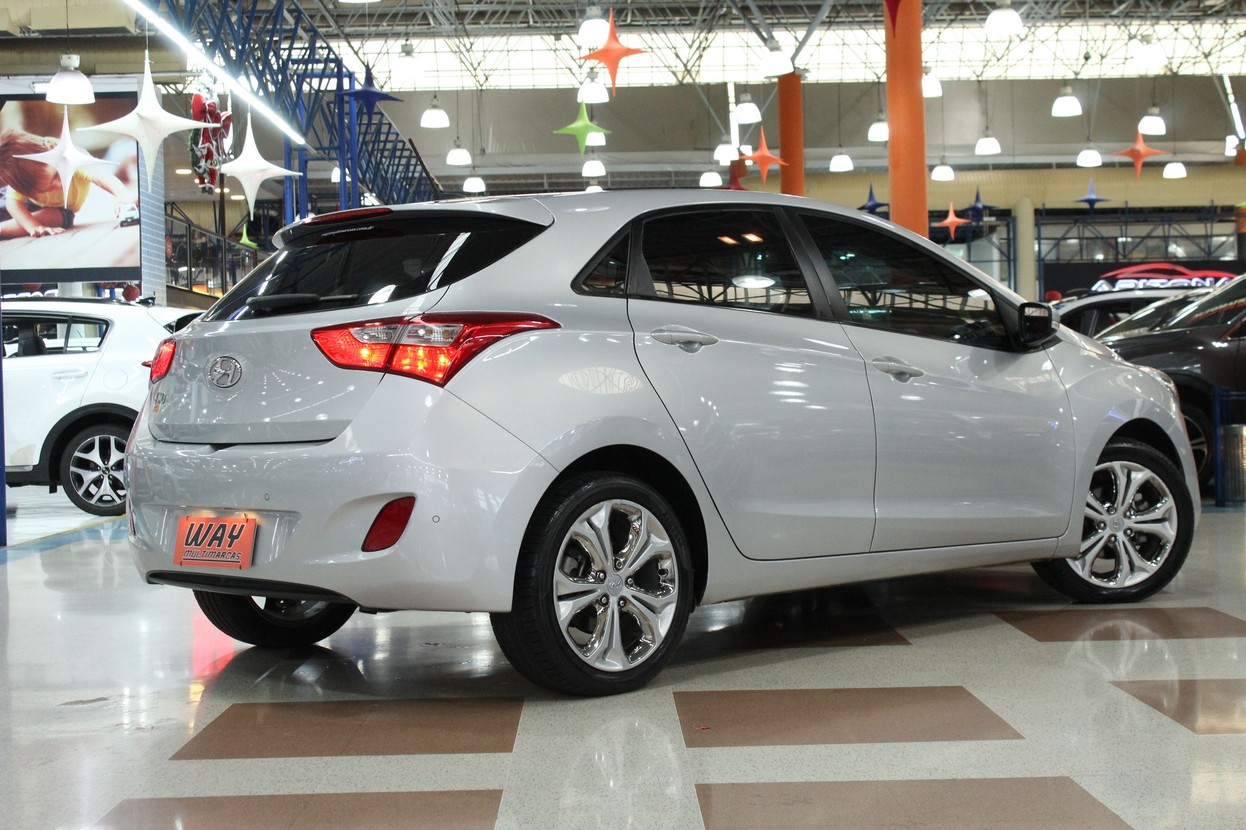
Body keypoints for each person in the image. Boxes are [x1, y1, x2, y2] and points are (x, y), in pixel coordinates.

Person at [0, 127, 137, 239]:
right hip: (23, 204)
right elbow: (12, 203)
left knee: (64, 218)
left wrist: (122, 194)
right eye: (45, 189)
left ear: (52, 150)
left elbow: (101, 177)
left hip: (58, 210)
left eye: (56, 175)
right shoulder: (24, 179)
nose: (58, 185)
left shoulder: (73, 157)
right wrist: (33, 226)